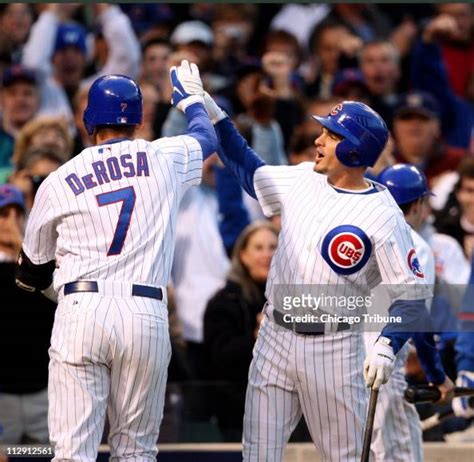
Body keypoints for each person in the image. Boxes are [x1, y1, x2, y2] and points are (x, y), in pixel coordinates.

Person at [197, 94, 447, 461]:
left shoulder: (384, 214)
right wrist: (219, 119)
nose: (318, 140)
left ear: (354, 149)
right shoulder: (302, 178)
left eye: (331, 135)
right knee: (257, 454)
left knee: (343, 456)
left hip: (333, 345)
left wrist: (386, 345)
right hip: (275, 336)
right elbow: (249, 170)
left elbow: (411, 298)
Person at [15, 61, 217, 461]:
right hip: (145, 311)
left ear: (89, 123)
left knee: (72, 452)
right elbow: (206, 138)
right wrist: (193, 100)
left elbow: (31, 270)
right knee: (137, 451)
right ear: (138, 122)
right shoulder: (162, 157)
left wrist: (66, 290)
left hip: (82, 308)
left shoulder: (58, 179)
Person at [373, 164, 454, 461]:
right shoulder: (415, 246)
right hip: (385, 364)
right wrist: (436, 375)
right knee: (401, 455)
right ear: (418, 204)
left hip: (336, 362)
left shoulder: (360, 232)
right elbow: (417, 319)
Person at [203, 221, 278, 440]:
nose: (267, 254)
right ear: (243, 255)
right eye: (259, 247)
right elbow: (219, 358)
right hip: (237, 413)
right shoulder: (224, 302)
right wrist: (257, 337)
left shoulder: (292, 300)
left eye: (273, 247)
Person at [0, 184, 56, 444]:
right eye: (3, 215)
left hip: (43, 391)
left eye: (17, 214)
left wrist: (24, 254)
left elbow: (48, 306)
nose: (11, 222)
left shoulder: (43, 261)